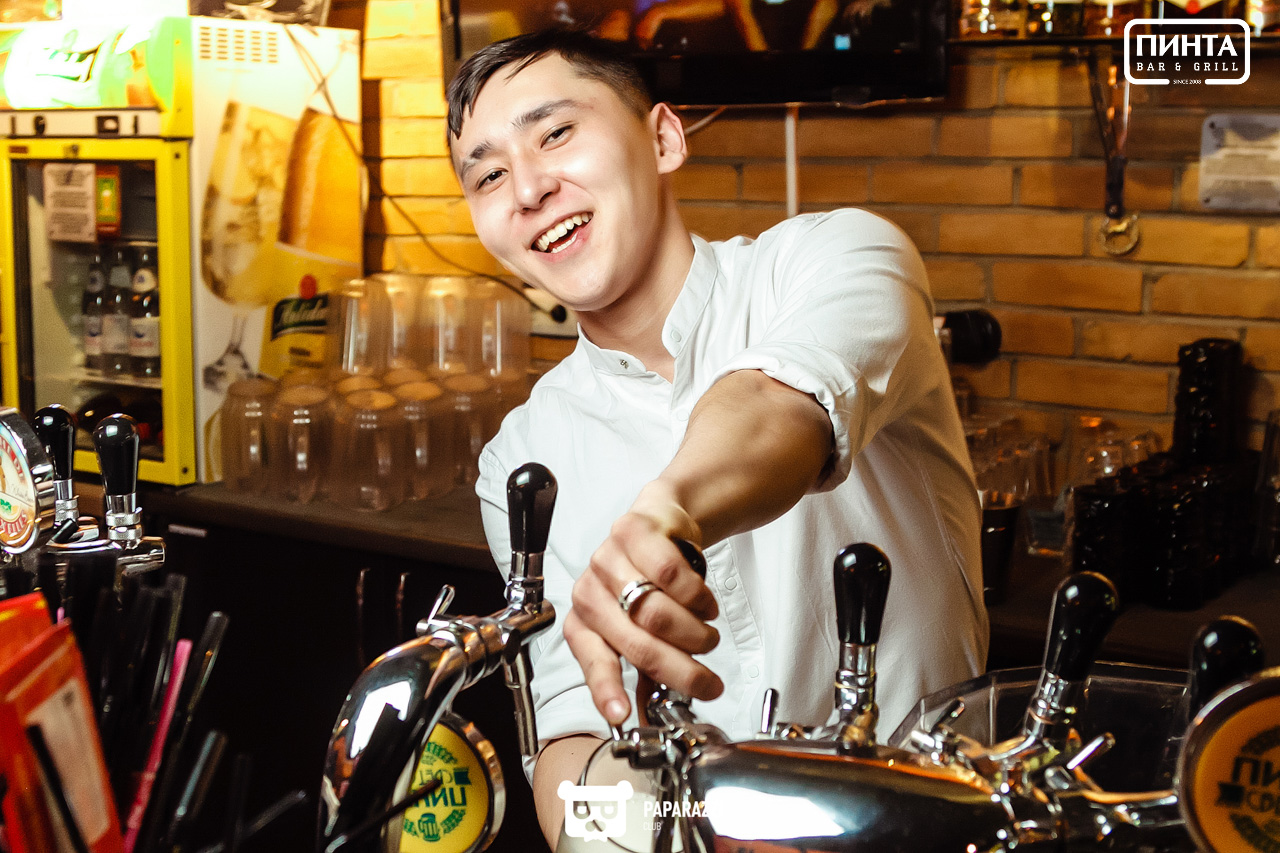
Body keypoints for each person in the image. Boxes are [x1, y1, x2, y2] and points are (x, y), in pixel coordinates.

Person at [447, 29, 988, 847]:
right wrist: (664, 831)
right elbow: (571, 744)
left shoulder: (838, 258)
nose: (527, 187)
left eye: (555, 133)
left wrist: (667, 508)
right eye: (488, 175)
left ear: (664, 139)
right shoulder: (523, 459)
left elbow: (780, 404)